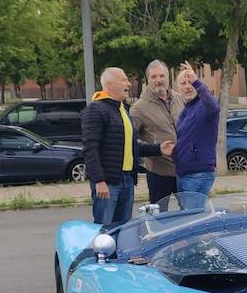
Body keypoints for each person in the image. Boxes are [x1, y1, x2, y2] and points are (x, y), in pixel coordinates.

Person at [81, 67, 171, 224]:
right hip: (108, 184)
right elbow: (90, 148)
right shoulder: (95, 110)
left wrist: (158, 149)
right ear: (110, 85)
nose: (128, 84)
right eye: (123, 80)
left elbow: (129, 146)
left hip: (127, 181)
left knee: (123, 232)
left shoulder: (123, 110)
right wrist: (99, 181)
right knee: (105, 231)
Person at [130, 59, 184, 203]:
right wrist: (157, 149)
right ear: (148, 80)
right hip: (158, 173)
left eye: (161, 76)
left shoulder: (180, 99)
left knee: (190, 216)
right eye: (154, 77)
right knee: (159, 218)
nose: (158, 80)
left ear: (168, 77)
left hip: (184, 170)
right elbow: (129, 141)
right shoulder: (138, 108)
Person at [173, 61, 220, 200]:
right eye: (183, 83)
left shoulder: (205, 105)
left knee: (193, 218)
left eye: (191, 82)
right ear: (177, 88)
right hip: (183, 173)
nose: (188, 87)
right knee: (188, 217)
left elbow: (214, 108)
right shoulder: (185, 110)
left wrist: (197, 82)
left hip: (199, 174)